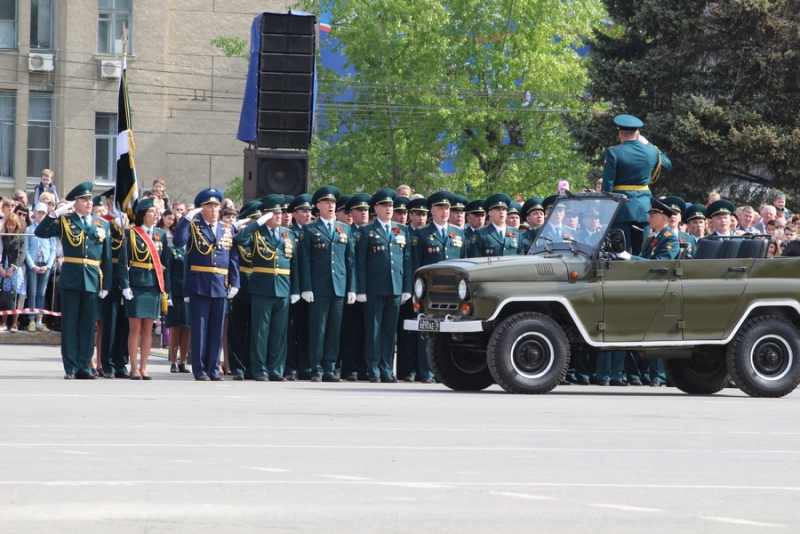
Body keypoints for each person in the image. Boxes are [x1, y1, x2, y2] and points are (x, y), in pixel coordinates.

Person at [34, 182, 112, 379]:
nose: (89, 202)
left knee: (88, 325)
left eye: (90, 199)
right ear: (74, 203)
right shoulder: (65, 221)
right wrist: (56, 213)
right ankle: (70, 367)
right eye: (84, 199)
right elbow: (40, 232)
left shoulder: (102, 224)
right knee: (70, 324)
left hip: (93, 279)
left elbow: (108, 258)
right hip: (71, 278)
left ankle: (84, 366)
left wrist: (107, 285)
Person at [172, 188, 240, 381]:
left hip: (221, 283)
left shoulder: (227, 229)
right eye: (210, 206)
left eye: (216, 206)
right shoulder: (194, 227)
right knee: (200, 328)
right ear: (202, 209)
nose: (214, 210)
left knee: (216, 329)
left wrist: (235, 282)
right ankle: (200, 369)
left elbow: (233, 257)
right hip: (200, 283)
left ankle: (213, 368)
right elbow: (178, 241)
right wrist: (186, 218)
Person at [235, 195, 299, 381]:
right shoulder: (256, 233)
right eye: (274, 213)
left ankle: (276, 370)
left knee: (279, 333)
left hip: (283, 288)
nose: (279, 216)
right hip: (262, 287)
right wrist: (257, 223)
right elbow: (240, 240)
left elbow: (294, 263)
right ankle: (260, 370)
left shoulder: (288, 234)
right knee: (260, 333)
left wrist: (295, 289)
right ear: (265, 215)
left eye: (281, 212)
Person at [298, 186, 356, 382]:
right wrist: (306, 287)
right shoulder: (310, 229)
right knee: (318, 330)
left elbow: (350, 261)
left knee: (334, 331)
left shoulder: (345, 229)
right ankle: (316, 369)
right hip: (319, 286)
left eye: (333, 203)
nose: (331, 206)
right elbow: (305, 261)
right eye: (326, 203)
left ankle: (330, 368)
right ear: (318, 206)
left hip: (339, 285)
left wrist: (351, 288)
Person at [355, 189, 412, 383]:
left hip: (395, 287)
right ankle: (373, 370)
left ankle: (387, 368)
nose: (389, 209)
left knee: (389, 331)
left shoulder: (401, 230)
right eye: (384, 206)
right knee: (374, 330)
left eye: (390, 206)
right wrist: (361, 289)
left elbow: (406, 260)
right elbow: (360, 263)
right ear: (376, 208)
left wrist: (406, 288)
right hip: (374, 288)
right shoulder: (366, 231)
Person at [411, 191, 466, 382]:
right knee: (428, 330)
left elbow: (465, 263)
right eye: (440, 208)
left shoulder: (458, 233)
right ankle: (425, 371)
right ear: (431, 210)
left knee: (453, 331)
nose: (444, 211)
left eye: (447, 208)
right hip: (431, 292)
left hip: (455, 291)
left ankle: (447, 371)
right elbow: (416, 265)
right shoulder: (422, 234)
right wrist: (415, 292)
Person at [601, 114, 672, 253]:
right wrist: (649, 144)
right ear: (638, 134)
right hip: (644, 208)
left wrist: (605, 212)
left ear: (621, 134)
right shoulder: (652, 151)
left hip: (621, 208)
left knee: (621, 252)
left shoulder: (613, 152)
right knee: (643, 251)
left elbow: (607, 187)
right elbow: (667, 165)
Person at [119, 198, 170, 380]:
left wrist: (166, 291)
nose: (156, 215)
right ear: (142, 215)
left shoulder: (160, 235)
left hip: (153, 285)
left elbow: (165, 265)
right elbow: (123, 262)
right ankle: (133, 367)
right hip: (136, 285)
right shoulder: (131, 234)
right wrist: (125, 285)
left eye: (157, 212)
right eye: (151, 212)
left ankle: (143, 367)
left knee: (148, 329)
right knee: (135, 328)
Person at [338, 193, 372, 381]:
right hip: (350, 287)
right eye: (360, 210)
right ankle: (349, 368)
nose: (364, 213)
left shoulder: (373, 231)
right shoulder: (346, 231)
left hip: (369, 288)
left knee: (365, 331)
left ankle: (363, 367)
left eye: (366, 210)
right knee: (350, 331)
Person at [226, 201, 261, 380]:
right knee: (237, 330)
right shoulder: (237, 236)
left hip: (257, 286)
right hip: (240, 286)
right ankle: (238, 367)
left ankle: (250, 366)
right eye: (253, 220)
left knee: (254, 331)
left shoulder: (262, 237)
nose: (256, 223)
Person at [285, 194, 313, 380]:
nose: (308, 214)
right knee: (290, 330)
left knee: (308, 330)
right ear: (294, 214)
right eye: (303, 211)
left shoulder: (314, 231)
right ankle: (290, 368)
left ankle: (305, 366)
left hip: (311, 288)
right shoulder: (288, 233)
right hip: (292, 287)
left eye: (310, 211)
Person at [24, 203, 56, 332]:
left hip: (45, 263)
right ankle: (31, 320)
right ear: (34, 213)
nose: (41, 215)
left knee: (41, 293)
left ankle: (39, 320)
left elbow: (53, 249)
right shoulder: (29, 229)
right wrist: (32, 265)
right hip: (33, 263)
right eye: (39, 212)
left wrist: (48, 265)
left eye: (43, 213)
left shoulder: (49, 229)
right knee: (32, 292)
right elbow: (26, 249)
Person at [164, 226, 190, 374]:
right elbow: (168, 273)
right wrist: (168, 294)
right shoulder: (173, 250)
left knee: (186, 329)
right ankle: (173, 361)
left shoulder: (194, 249)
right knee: (175, 328)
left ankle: (183, 361)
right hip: (176, 293)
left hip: (189, 293)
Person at [1, 212, 26, 332]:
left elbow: (21, 254)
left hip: (15, 269)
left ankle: (14, 323)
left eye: (13, 225)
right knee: (4, 295)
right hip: (3, 267)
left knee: (16, 295)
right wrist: (1, 268)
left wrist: (12, 268)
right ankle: (4, 322)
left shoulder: (21, 237)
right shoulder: (2, 236)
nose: (11, 227)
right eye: (9, 225)